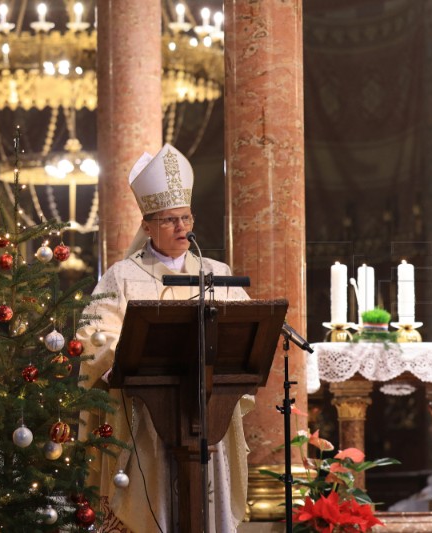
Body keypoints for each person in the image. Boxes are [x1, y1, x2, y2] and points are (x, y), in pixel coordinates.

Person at [77, 144, 251, 533]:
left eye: (186, 218)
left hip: (207, 410)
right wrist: (128, 351)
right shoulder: (122, 276)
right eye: (171, 220)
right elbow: (93, 335)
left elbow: (243, 326)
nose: (182, 228)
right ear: (148, 225)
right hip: (147, 414)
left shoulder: (217, 272)